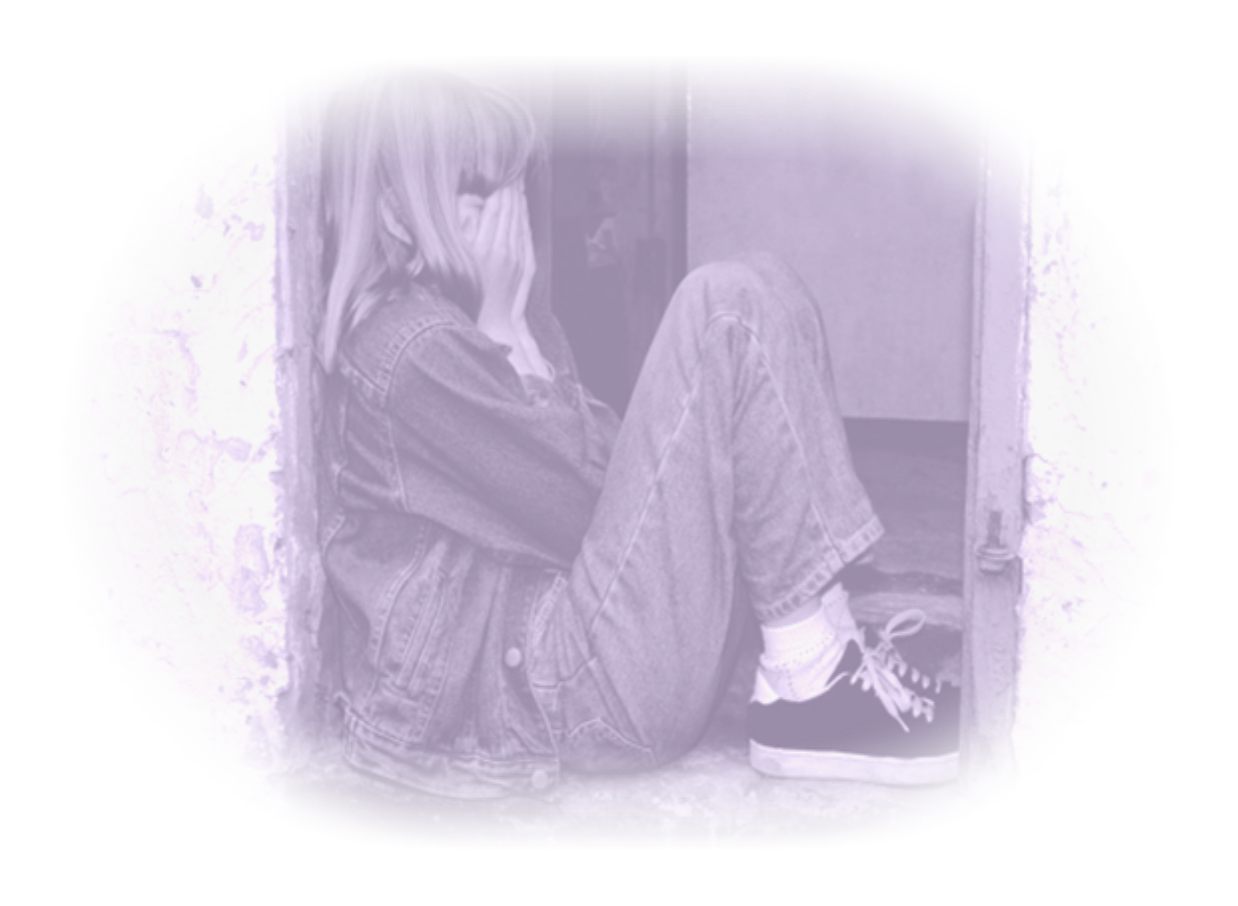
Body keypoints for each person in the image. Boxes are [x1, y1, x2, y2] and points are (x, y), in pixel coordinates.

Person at [316, 61, 960, 800]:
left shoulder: (470, 326)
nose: (510, 225)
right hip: (564, 694)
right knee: (723, 306)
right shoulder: (411, 350)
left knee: (762, 284)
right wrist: (507, 334)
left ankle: (823, 650)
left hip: (591, 656)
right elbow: (588, 505)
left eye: (514, 193)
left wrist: (514, 332)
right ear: (398, 215)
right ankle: (808, 683)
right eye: (481, 197)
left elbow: (613, 484)